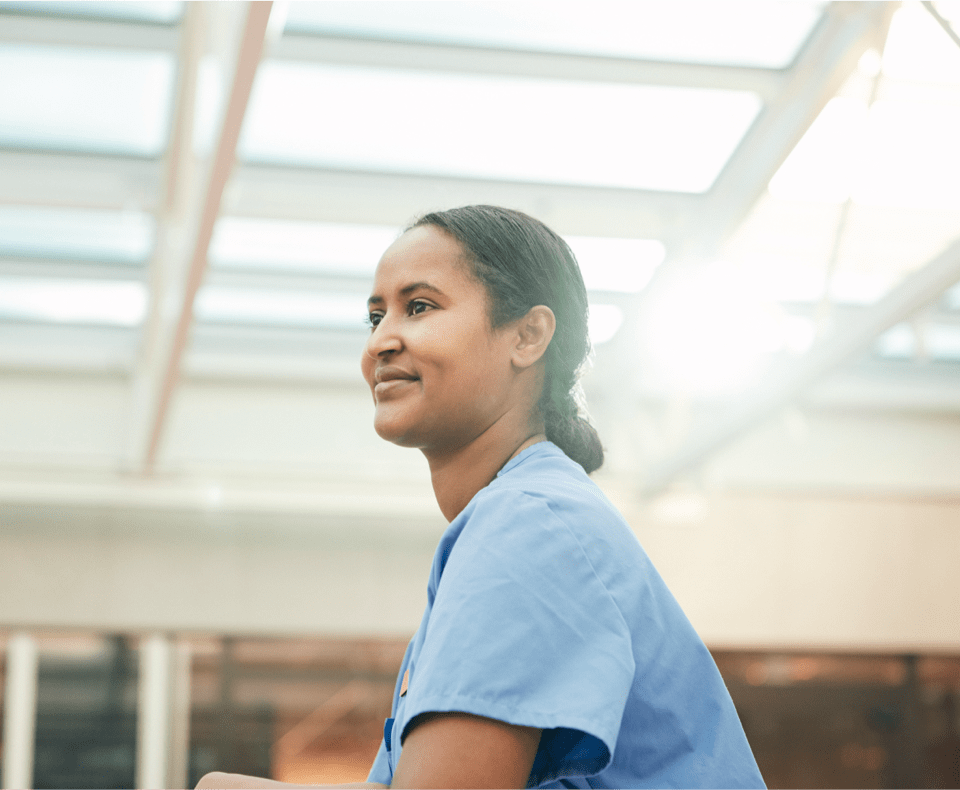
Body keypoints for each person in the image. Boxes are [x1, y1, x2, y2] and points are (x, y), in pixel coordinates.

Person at [197, 205, 766, 789]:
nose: (381, 343)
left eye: (419, 307)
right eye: (374, 317)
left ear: (527, 335)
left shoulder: (527, 524)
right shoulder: (524, 515)